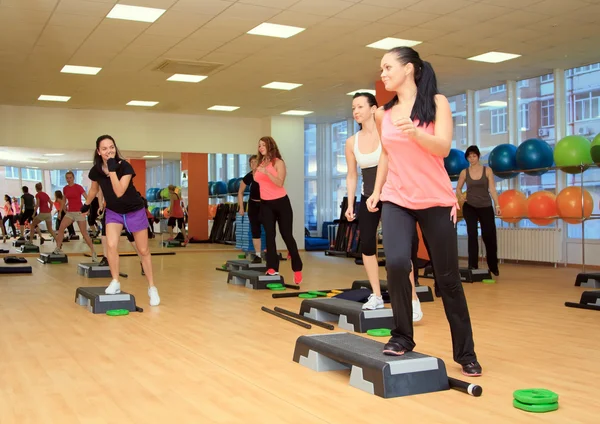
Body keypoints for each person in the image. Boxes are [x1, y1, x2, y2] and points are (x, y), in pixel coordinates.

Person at [366, 46, 481, 377]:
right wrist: (376, 192)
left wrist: (415, 132)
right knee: (399, 263)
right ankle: (402, 335)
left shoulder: (437, 104)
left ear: (409, 69)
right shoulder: (383, 114)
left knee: (447, 279)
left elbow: (443, 147)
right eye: (382, 68)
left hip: (435, 200)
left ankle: (466, 352)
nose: (383, 73)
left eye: (388, 67)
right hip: (397, 199)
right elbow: (387, 154)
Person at [345, 92, 423, 319]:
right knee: (367, 246)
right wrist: (350, 204)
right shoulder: (352, 142)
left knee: (397, 249)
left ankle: (412, 298)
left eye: (360, 106)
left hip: (392, 196)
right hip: (368, 197)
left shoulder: (386, 134)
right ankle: (377, 295)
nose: (356, 111)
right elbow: (352, 175)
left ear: (373, 109)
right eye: (353, 108)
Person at [83, 135, 160, 306]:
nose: (109, 151)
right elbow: (94, 189)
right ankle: (116, 281)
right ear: (98, 151)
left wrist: (112, 170)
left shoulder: (124, 167)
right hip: (114, 212)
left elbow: (119, 191)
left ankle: (152, 287)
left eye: (111, 147)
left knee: (143, 250)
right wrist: (86, 205)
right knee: (110, 245)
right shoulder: (95, 170)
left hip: (134, 210)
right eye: (104, 148)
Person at [253, 136, 303, 284]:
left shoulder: (278, 162)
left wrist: (266, 172)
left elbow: (280, 183)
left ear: (270, 146)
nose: (261, 147)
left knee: (287, 235)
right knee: (269, 235)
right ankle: (272, 267)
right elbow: (258, 181)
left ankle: (297, 267)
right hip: (266, 204)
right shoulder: (261, 163)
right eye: (259, 145)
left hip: (281, 203)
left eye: (263, 145)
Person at [456, 146, 500, 276]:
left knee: (489, 236)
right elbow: (458, 188)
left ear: (478, 156)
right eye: (469, 157)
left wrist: (497, 205)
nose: (472, 159)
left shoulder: (487, 170)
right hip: (470, 207)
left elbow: (492, 189)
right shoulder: (465, 172)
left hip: (485, 206)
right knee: (472, 235)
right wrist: (461, 197)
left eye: (474, 156)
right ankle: (472, 265)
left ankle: (493, 266)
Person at [52, 172, 96, 259]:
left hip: (79, 212)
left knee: (84, 233)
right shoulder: (65, 188)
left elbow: (87, 198)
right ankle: (58, 248)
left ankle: (93, 252)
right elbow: (64, 201)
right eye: (67, 178)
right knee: (60, 229)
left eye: (70, 178)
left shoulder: (78, 187)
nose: (69, 179)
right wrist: (60, 212)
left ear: (73, 178)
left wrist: (88, 209)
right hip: (70, 213)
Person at [238, 155, 262, 263]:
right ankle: (258, 255)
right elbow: (240, 192)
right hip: (253, 205)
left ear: (259, 163)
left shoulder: (264, 175)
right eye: (251, 162)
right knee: (255, 230)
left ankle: (271, 252)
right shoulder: (248, 177)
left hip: (264, 205)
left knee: (269, 229)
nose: (253, 164)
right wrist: (241, 208)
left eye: (255, 162)